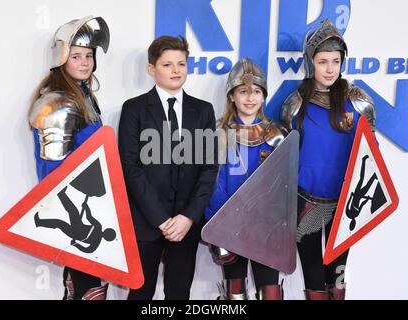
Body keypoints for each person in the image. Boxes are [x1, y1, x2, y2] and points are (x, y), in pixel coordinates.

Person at [280, 19, 375, 300]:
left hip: (347, 204)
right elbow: (284, 161)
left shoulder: (359, 103)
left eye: (335, 61)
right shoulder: (295, 104)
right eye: (323, 61)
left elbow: (370, 160)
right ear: (311, 63)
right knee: (313, 276)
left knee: (338, 277)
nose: (330, 68)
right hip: (305, 201)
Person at [118, 36, 219, 300]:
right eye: (167, 65)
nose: (176, 71)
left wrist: (188, 217)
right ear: (152, 69)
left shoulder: (203, 110)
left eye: (181, 64)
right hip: (145, 222)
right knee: (140, 293)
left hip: (186, 224)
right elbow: (130, 167)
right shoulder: (134, 109)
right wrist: (160, 219)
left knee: (179, 293)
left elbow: (209, 168)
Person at [28, 16, 110, 300]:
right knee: (90, 292)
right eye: (76, 56)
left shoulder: (84, 96)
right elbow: (54, 174)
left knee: (88, 288)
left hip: (92, 210)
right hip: (73, 212)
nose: (85, 62)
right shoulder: (58, 102)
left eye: (89, 56)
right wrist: (78, 219)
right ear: (62, 58)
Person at [204, 58, 287, 300]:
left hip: (266, 227)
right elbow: (213, 182)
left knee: (270, 292)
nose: (250, 98)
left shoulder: (277, 135)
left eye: (256, 92)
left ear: (263, 96)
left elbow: (283, 184)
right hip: (229, 226)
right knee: (235, 293)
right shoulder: (220, 134)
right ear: (232, 96)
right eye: (243, 91)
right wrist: (221, 220)